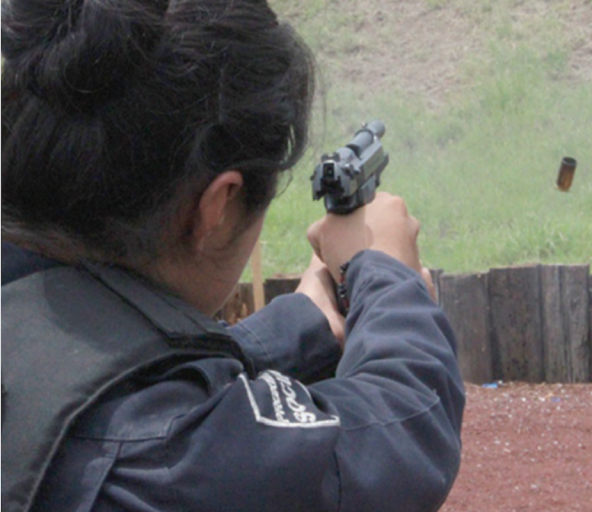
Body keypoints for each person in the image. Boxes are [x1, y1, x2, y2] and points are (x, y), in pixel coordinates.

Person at [1, 0, 465, 511]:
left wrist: (302, 324)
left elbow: (96, 379)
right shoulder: (172, 457)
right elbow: (396, 435)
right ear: (217, 207)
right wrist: (386, 275)